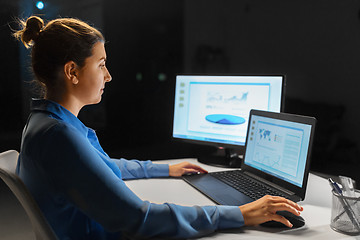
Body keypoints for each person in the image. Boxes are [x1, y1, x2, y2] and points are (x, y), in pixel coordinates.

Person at [13, 16, 303, 240]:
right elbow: (139, 219)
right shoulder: (59, 135)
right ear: (72, 71)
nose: (108, 76)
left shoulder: (45, 122)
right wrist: (239, 214)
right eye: (101, 64)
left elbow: (100, 166)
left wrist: (164, 169)